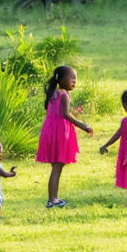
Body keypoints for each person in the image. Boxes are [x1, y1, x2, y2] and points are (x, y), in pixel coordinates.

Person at [36, 65, 93, 208]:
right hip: (59, 132)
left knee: (56, 167)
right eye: (72, 78)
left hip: (50, 130)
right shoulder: (64, 95)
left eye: (76, 79)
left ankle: (54, 198)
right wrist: (83, 126)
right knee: (57, 168)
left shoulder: (53, 94)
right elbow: (65, 115)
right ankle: (52, 200)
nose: (74, 81)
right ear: (61, 79)